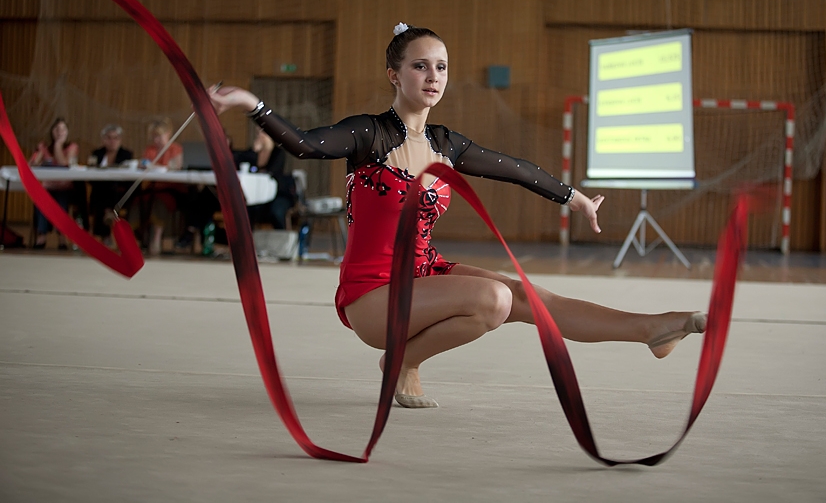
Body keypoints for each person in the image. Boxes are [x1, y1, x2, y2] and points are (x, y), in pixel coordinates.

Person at [209, 23, 706, 409]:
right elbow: (303, 144)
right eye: (420, 66)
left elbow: (513, 167)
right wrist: (252, 104)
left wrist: (572, 196)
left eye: (441, 67)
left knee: (525, 295)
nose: (433, 77)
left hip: (426, 273)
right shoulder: (368, 135)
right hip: (373, 295)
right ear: (394, 74)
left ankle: (650, 330)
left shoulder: (445, 143)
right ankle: (400, 360)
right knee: (493, 299)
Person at [29, 117, 82, 249]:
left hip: (65, 188)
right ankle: (41, 237)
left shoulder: (72, 147)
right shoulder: (45, 147)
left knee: (61, 203)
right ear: (51, 131)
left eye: (63, 129)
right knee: (41, 201)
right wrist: (39, 153)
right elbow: (31, 165)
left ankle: (61, 237)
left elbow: (64, 163)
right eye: (57, 129)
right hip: (48, 187)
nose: (60, 132)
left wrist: (58, 144)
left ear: (67, 132)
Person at [233, 127, 297, 230]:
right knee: (246, 209)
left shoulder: (278, 152)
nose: (261, 136)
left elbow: (273, 172)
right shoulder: (253, 152)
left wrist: (266, 151)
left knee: (277, 211)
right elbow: (241, 162)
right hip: (256, 194)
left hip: (277, 194)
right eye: (258, 133)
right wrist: (255, 152)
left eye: (263, 133)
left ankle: (282, 236)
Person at [139, 118, 184, 255]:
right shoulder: (150, 150)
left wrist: (154, 166)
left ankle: (156, 239)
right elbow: (143, 164)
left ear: (168, 133)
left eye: (159, 136)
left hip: (171, 189)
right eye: (154, 136)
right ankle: (141, 238)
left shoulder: (175, 149)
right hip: (152, 187)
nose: (156, 139)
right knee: (138, 202)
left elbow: (175, 168)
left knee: (159, 202)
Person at [88, 124, 134, 244]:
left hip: (119, 192)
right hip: (100, 190)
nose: (112, 141)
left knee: (109, 190)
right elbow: (90, 175)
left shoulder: (126, 155)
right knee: (100, 191)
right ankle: (107, 219)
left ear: (120, 140)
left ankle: (108, 220)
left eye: (115, 138)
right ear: (103, 139)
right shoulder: (97, 154)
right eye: (109, 138)